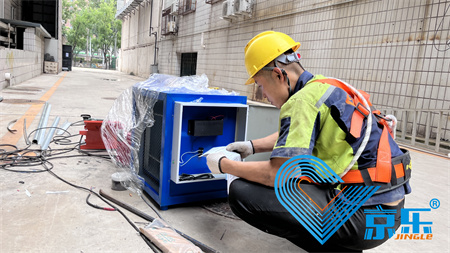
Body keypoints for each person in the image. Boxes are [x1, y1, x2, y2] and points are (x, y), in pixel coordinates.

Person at [206, 31, 412, 252]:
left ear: (278, 74)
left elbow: (276, 174)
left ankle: (334, 247)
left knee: (241, 193)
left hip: (363, 217)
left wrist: (223, 165)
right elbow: (298, 136)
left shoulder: (301, 101)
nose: (263, 94)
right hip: (388, 214)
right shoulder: (323, 87)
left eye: (260, 85)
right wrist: (252, 146)